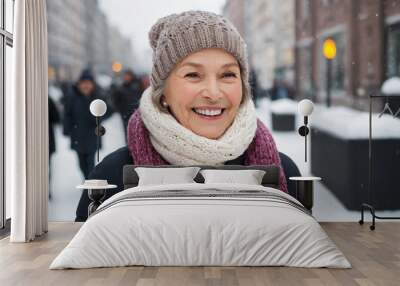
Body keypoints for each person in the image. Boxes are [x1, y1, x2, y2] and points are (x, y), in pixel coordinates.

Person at [75, 11, 290, 222]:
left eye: (228, 75)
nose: (213, 93)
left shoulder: (285, 171)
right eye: (193, 75)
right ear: (163, 92)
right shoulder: (110, 178)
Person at [63, 69, 110, 180]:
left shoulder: (98, 96)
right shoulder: (72, 97)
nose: (86, 86)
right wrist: (66, 129)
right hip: (77, 135)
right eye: (83, 83)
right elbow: (67, 114)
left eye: (88, 83)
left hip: (92, 135)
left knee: (90, 163)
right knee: (81, 163)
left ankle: (90, 184)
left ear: (92, 85)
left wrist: (99, 118)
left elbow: (109, 110)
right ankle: (87, 180)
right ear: (79, 84)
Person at [111, 69, 143, 139]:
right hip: (125, 115)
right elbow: (116, 100)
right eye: (125, 76)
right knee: (128, 135)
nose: (126, 77)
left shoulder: (138, 86)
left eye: (128, 76)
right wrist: (120, 110)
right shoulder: (121, 87)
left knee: (137, 134)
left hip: (136, 114)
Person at [48, 96, 60, 199]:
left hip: (47, 141)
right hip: (47, 141)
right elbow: (56, 118)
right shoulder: (48, 99)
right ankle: (46, 189)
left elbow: (56, 118)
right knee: (46, 167)